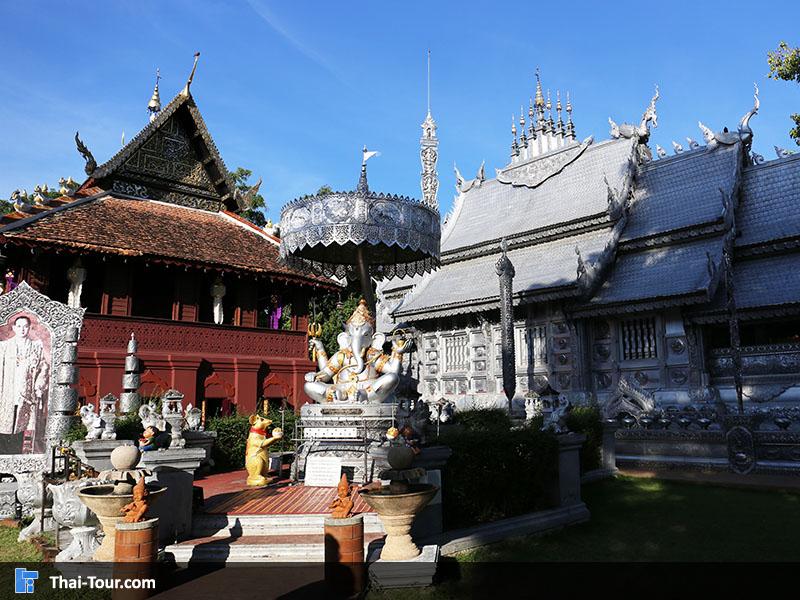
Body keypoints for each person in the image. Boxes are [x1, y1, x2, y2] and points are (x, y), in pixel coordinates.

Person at [0, 316, 48, 447]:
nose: (22, 329)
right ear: (14, 328)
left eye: (25, 326)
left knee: (20, 424)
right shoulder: (4, 346)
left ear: (29, 328)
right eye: (19, 326)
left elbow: (43, 368)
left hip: (26, 393)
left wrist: (39, 387)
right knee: (4, 424)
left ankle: (16, 454)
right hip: (6, 391)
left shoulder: (35, 347)